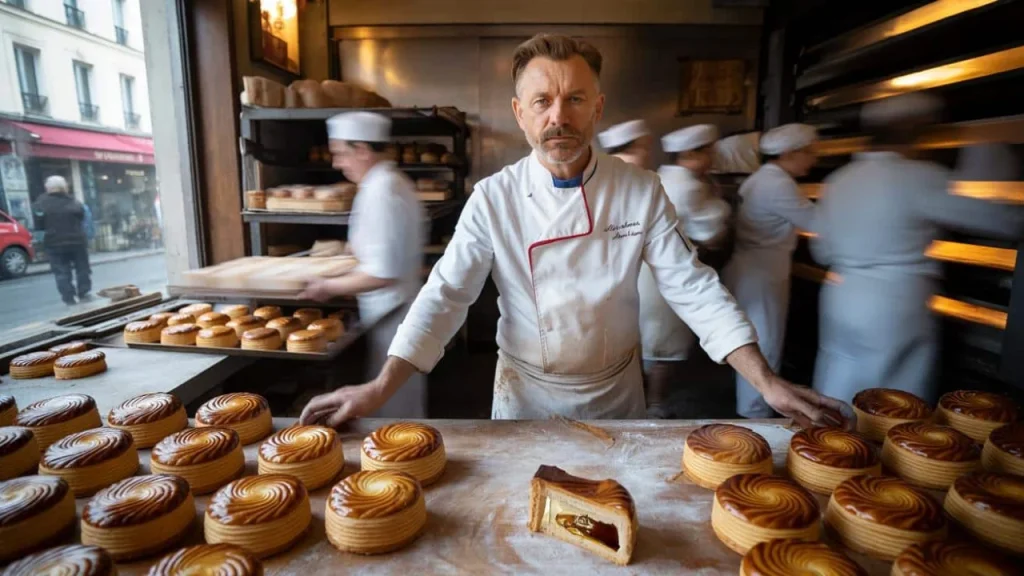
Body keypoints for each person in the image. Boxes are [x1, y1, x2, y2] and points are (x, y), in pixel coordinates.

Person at [299, 34, 847, 429]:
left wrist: (765, 380)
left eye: (575, 99)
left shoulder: (640, 190)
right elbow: (445, 296)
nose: (559, 116)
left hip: (615, 395)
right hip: (525, 397)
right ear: (520, 113)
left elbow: (693, 287)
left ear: (598, 108)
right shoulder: (495, 197)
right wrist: (380, 386)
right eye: (542, 101)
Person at [811, 93, 1024, 405]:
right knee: (893, 401)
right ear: (915, 133)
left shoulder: (839, 179)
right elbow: (999, 220)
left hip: (840, 296)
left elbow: (821, 250)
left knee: (837, 384)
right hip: (893, 304)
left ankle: (828, 446)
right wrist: (988, 146)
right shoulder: (918, 177)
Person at [299, 111, 427, 417]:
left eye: (340, 153)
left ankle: (403, 462)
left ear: (363, 150)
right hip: (390, 314)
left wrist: (326, 287)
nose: (336, 163)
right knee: (392, 402)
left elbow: (383, 273)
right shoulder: (388, 183)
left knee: (394, 409)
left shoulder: (383, 191)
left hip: (392, 315)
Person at [722, 124, 819, 418]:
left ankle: (754, 408)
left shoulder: (759, 179)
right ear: (790, 153)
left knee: (757, 338)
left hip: (752, 266)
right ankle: (756, 417)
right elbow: (817, 222)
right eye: (810, 153)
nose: (814, 160)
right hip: (762, 272)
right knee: (765, 343)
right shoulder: (778, 184)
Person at [638, 124, 732, 417]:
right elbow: (712, 233)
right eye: (709, 152)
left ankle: (644, 399)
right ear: (693, 154)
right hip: (668, 277)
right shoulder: (690, 186)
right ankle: (654, 406)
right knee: (664, 348)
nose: (713, 158)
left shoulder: (662, 176)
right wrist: (721, 204)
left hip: (646, 274)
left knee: (650, 342)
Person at [33, 175, 92, 305]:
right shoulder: (74, 202)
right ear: (64, 187)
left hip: (54, 243)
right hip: (77, 241)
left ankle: (68, 297)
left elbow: (38, 225)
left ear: (47, 188)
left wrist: (40, 244)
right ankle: (83, 292)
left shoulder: (40, 204)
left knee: (61, 271)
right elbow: (83, 217)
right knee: (82, 268)